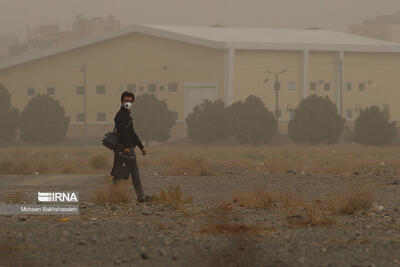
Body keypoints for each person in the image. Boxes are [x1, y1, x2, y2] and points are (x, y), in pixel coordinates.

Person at [110, 91, 153, 203]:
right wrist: (127, 147)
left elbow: (132, 133)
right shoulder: (120, 116)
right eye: (126, 101)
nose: (128, 103)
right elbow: (123, 133)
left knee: (126, 172)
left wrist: (141, 146)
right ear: (122, 101)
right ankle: (139, 196)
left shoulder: (127, 116)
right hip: (123, 147)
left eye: (130, 101)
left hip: (128, 147)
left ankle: (139, 196)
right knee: (120, 172)